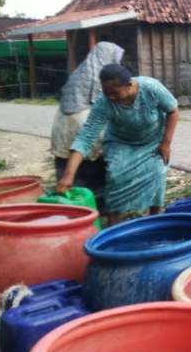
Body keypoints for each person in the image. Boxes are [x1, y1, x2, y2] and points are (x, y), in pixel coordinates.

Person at [55, 64, 180, 225]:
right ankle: (113, 223)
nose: (111, 97)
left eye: (115, 93)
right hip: (121, 141)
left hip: (153, 140)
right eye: (107, 93)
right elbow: (85, 138)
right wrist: (68, 176)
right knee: (115, 175)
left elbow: (173, 111)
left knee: (156, 171)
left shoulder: (151, 88)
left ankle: (154, 217)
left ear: (129, 85)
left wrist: (166, 143)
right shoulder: (104, 102)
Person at [50, 41, 124, 207]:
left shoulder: (79, 72)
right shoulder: (104, 77)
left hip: (62, 124)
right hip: (85, 121)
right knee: (98, 167)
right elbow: (108, 104)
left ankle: (73, 206)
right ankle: (101, 206)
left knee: (70, 168)